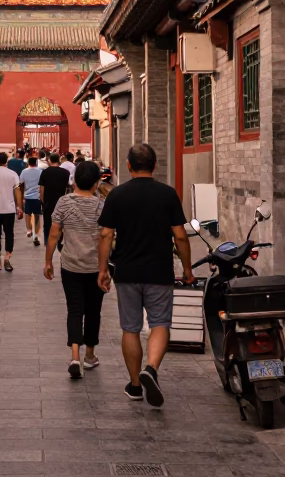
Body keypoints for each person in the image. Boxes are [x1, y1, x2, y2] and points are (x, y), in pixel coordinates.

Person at [98, 143, 192, 408]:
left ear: (128, 165)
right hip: (159, 270)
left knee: (130, 327)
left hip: (127, 271)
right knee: (160, 323)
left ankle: (135, 385)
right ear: (155, 166)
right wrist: (187, 269)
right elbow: (181, 236)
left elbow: (105, 234)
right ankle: (150, 368)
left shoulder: (117, 195)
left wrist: (103, 270)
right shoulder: (168, 194)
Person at [43, 161, 105, 379]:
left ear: (74, 180)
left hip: (70, 265)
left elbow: (53, 234)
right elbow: (107, 237)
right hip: (95, 267)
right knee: (93, 311)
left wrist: (48, 261)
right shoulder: (100, 206)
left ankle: (75, 356)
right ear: (97, 183)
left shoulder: (63, 202)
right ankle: (90, 355)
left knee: (75, 309)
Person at [38, 152, 71, 246]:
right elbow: (68, 188)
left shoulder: (45, 172)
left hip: (48, 201)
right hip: (61, 201)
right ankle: (59, 241)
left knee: (47, 223)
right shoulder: (65, 172)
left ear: (49, 160)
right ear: (59, 160)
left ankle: (47, 242)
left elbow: (42, 188)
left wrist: (42, 200)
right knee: (61, 222)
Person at [19, 155, 44, 245]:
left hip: (28, 196)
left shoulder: (24, 172)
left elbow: (20, 184)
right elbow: (43, 185)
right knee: (37, 215)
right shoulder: (40, 171)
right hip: (37, 196)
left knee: (28, 214)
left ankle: (29, 229)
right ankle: (36, 235)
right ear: (36, 163)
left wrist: (21, 197)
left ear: (28, 163)